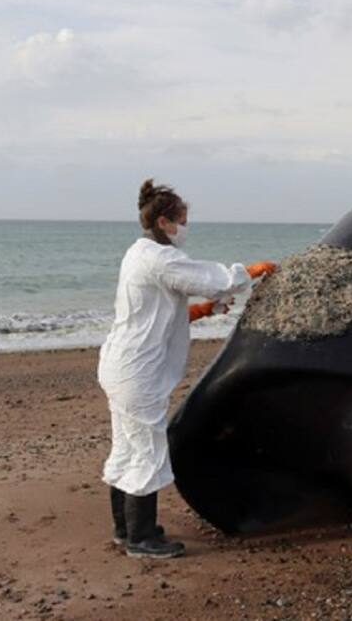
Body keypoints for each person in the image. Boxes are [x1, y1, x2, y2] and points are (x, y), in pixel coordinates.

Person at [98, 180, 276, 558]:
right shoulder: (161, 259)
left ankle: (124, 527)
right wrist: (250, 271)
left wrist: (198, 312)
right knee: (146, 450)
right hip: (137, 373)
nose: (184, 227)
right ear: (164, 221)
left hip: (120, 363)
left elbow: (156, 309)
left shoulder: (138, 253)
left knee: (128, 447)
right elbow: (213, 279)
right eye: (181, 220)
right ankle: (142, 538)